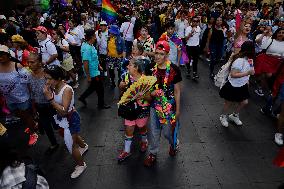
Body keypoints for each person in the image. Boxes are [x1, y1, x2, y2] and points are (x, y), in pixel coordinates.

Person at [43, 65, 88, 178]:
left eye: (49, 78)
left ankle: (81, 165)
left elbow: (64, 111)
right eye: (46, 78)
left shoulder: (66, 89)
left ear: (58, 78)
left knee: (70, 145)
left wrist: (50, 99)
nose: (47, 81)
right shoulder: (53, 87)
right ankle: (83, 146)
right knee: (72, 136)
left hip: (70, 119)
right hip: (62, 119)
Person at [144, 40, 182, 167]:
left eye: (161, 54)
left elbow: (177, 91)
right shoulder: (150, 68)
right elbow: (146, 87)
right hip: (154, 106)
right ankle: (153, 153)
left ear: (167, 55)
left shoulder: (174, 69)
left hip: (169, 107)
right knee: (154, 131)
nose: (158, 57)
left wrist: (178, 110)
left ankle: (173, 143)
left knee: (167, 132)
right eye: (156, 53)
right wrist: (151, 93)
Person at [0, 45, 38, 146]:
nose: (1, 56)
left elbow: (28, 82)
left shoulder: (18, 66)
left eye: (3, 54)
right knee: (18, 114)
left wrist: (32, 96)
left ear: (8, 55)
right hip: (9, 98)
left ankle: (33, 132)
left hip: (22, 97)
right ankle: (33, 124)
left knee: (26, 115)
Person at [117, 57, 151, 162]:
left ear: (136, 68)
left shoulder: (146, 80)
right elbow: (121, 91)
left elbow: (150, 98)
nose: (128, 66)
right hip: (129, 109)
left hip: (142, 109)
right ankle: (127, 150)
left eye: (130, 65)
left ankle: (144, 141)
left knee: (141, 127)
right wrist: (121, 86)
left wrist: (143, 95)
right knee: (129, 128)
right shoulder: (126, 77)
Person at [28, 52, 59, 154]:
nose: (29, 64)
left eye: (32, 62)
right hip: (39, 106)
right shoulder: (29, 76)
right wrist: (34, 109)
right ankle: (54, 143)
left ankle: (72, 140)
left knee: (57, 125)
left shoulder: (47, 74)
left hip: (51, 105)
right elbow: (31, 93)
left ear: (40, 63)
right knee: (46, 127)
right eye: (28, 62)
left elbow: (56, 87)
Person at [219, 41, 255, 127]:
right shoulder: (239, 61)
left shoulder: (249, 60)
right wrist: (247, 73)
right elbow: (233, 74)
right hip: (233, 85)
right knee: (228, 103)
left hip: (242, 85)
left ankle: (234, 115)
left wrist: (247, 81)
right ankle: (223, 116)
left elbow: (249, 71)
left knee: (244, 102)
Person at [78, 29, 110, 109]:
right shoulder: (87, 48)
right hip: (93, 73)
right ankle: (101, 104)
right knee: (100, 88)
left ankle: (82, 97)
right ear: (92, 37)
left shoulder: (88, 44)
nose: (96, 38)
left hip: (95, 70)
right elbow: (85, 63)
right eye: (95, 36)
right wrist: (88, 76)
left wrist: (99, 65)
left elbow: (94, 57)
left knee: (93, 87)